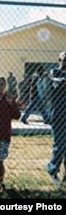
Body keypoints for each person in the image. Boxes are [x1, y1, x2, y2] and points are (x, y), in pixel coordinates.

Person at [47, 51, 66, 185]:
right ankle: (52, 170)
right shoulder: (54, 72)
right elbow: (57, 83)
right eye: (64, 59)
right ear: (59, 60)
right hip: (58, 115)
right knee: (59, 145)